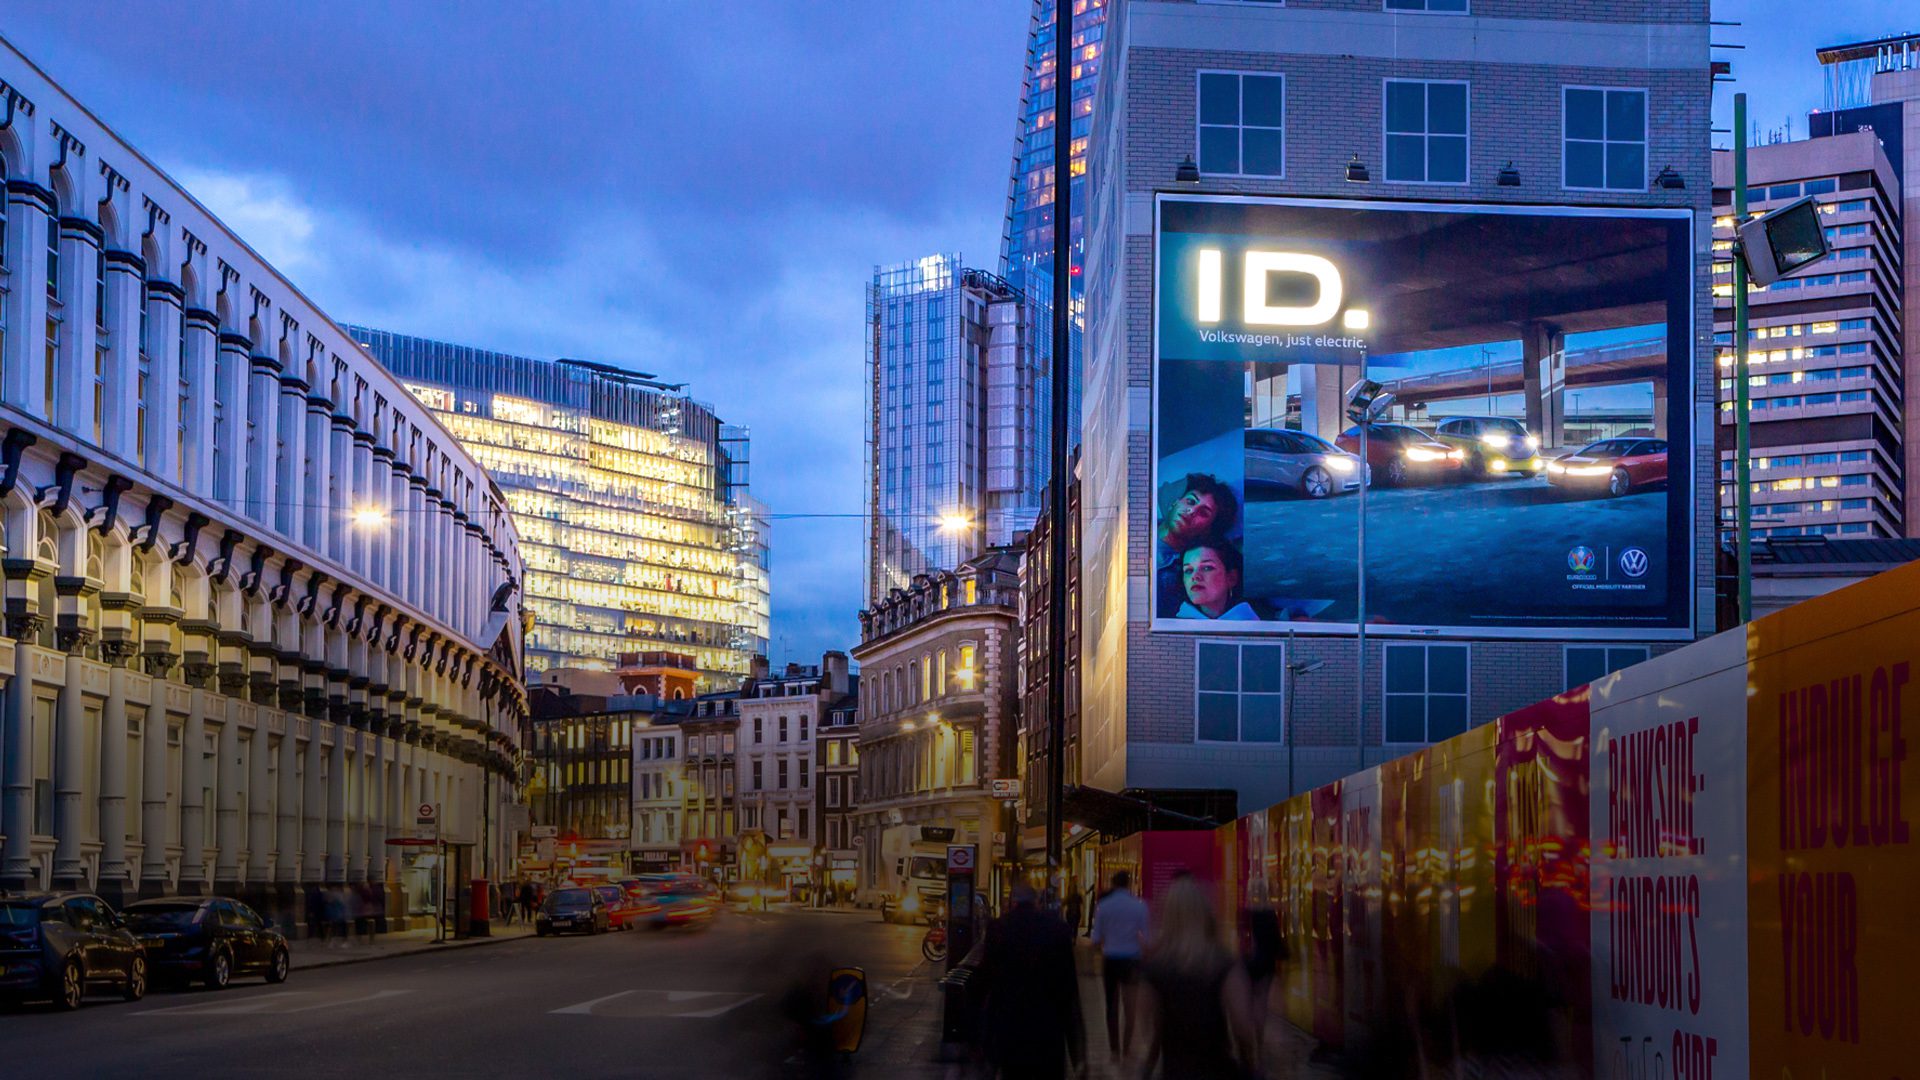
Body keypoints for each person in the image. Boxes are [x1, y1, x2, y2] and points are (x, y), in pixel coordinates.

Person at [1137, 878, 1258, 1080]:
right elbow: (1242, 1027)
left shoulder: (1154, 970)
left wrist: (1147, 1069)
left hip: (1175, 1071)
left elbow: (1150, 1036)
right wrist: (1249, 1063)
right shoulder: (1223, 963)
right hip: (1218, 1070)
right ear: (1205, 915)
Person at [977, 883, 1085, 1079]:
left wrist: (984, 1047)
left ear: (1012, 902)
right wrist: (1079, 1055)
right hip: (1048, 1031)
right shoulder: (1058, 930)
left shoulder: (998, 928)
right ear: (1037, 903)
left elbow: (985, 984)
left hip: (1010, 1030)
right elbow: (1069, 992)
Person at [1155, 473, 1240, 616]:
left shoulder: (1184, 575)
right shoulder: (1135, 528)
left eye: (1203, 513)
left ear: (1208, 529)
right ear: (1175, 502)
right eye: (1190, 501)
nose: (1191, 511)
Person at [1088, 871, 1149, 1061]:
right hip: (1132, 959)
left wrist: (1092, 959)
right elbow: (1146, 937)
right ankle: (1127, 1047)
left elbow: (1096, 938)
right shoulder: (1139, 907)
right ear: (1128, 883)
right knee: (1130, 1007)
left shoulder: (1104, 906)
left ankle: (1114, 1050)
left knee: (1111, 1006)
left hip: (1111, 960)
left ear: (1113, 884)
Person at [1176, 543, 1260, 620]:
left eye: (1207, 568)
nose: (1194, 576)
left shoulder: (1255, 625)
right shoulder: (1174, 626)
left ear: (1231, 577)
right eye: (1188, 570)